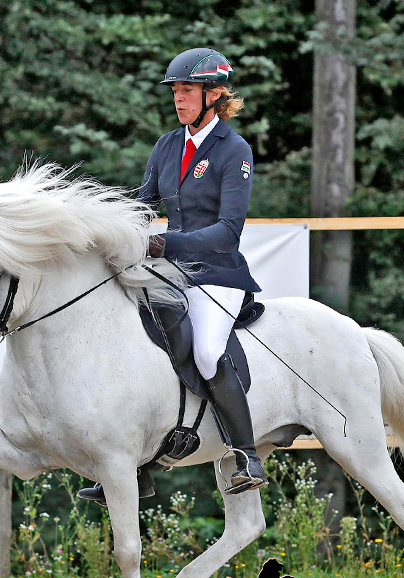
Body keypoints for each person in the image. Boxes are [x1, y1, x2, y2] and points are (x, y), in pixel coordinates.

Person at [79, 48, 267, 506]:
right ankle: (139, 467)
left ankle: (246, 455)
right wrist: (102, 227)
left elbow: (228, 230)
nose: (178, 99)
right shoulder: (167, 145)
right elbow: (142, 204)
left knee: (205, 352)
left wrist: (167, 243)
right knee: (131, 336)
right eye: (176, 91)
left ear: (214, 94)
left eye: (187, 90)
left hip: (217, 272)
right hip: (170, 270)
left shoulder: (234, 150)